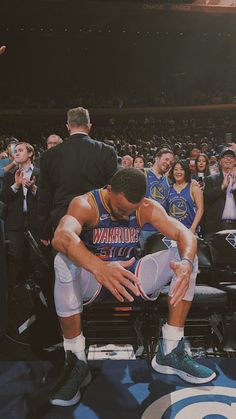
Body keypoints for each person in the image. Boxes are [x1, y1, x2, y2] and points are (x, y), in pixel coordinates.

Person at [50, 168, 215, 407]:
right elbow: (61, 237)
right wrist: (100, 267)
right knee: (62, 261)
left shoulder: (147, 207)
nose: (126, 214)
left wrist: (186, 264)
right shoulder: (86, 204)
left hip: (130, 277)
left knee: (187, 257)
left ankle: (170, 350)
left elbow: (184, 234)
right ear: (109, 191)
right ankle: (76, 361)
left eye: (131, 210)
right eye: (120, 209)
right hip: (94, 278)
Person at [38, 106, 118, 245]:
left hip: (63, 220)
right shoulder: (106, 151)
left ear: (68, 126)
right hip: (97, 220)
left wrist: (44, 230)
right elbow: (113, 191)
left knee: (63, 265)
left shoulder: (49, 156)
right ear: (89, 126)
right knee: (97, 265)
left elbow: (44, 196)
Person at [0, 143, 42, 289]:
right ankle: (15, 296)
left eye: (20, 150)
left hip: (34, 223)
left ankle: (38, 297)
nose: (16, 153)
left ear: (30, 153)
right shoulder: (9, 175)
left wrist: (34, 188)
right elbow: (3, 198)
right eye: (15, 151)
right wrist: (16, 186)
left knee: (36, 259)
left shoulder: (40, 173)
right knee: (15, 259)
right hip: (14, 223)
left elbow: (46, 200)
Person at [202, 148, 236, 237]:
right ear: (220, 162)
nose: (228, 159)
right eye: (225, 157)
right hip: (216, 227)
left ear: (235, 162)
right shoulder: (210, 179)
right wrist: (222, 187)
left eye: (231, 157)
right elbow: (206, 198)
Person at [167, 160, 204, 234]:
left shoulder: (193, 187)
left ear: (186, 171)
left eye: (181, 169)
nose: (178, 172)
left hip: (189, 230)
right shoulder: (168, 189)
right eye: (176, 169)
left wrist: (193, 228)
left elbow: (200, 209)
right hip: (172, 231)